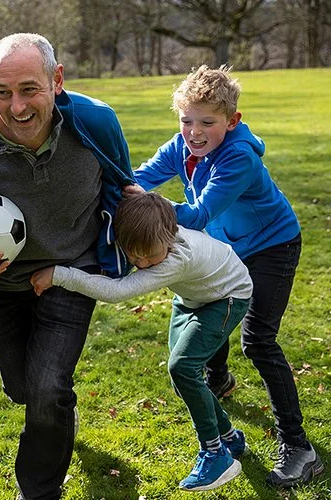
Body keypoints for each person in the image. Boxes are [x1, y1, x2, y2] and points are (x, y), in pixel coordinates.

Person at [0, 33, 135, 499]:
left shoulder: (97, 123)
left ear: (57, 80)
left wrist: (138, 229)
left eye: (28, 89)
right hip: (7, 280)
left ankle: (38, 489)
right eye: (2, 92)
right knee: (23, 389)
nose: (15, 106)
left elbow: (123, 184)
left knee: (46, 386)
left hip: (73, 272)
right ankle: (59, 413)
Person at [126, 65, 324, 487]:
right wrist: (118, 194)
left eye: (206, 123)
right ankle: (218, 379)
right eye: (186, 120)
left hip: (272, 246)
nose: (194, 132)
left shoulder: (238, 157)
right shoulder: (181, 146)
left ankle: (299, 448)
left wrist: (148, 208)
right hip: (228, 248)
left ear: (231, 121)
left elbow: (197, 215)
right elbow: (137, 180)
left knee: (258, 342)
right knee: (207, 307)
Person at [31, 191, 253, 491]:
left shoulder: (176, 259)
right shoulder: (156, 230)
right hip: (192, 298)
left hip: (228, 295)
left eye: (149, 255)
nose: (142, 262)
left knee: (183, 368)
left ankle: (215, 454)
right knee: (183, 378)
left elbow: (116, 291)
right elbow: (143, 206)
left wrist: (60, 275)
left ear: (170, 236)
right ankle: (230, 437)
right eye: (134, 255)